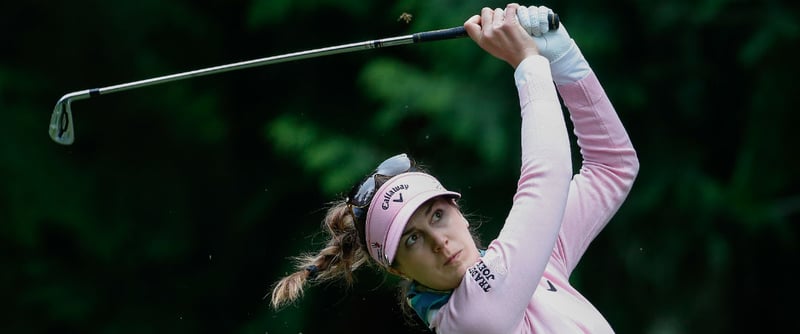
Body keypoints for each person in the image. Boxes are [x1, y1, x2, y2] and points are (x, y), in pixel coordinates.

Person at [269, 3, 639, 333]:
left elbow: (612, 166)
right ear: (398, 271)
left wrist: (564, 57)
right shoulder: (473, 319)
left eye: (436, 215)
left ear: (457, 210)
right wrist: (529, 64)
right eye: (412, 239)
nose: (438, 241)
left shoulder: (530, 268)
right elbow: (548, 179)